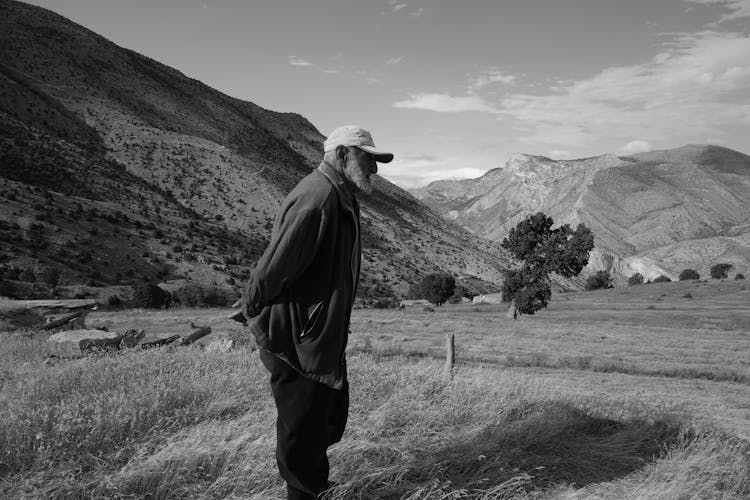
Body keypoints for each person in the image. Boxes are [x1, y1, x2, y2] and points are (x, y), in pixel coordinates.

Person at [238, 125, 393, 500]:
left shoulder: (339, 194)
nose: (374, 168)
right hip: (298, 341)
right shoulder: (317, 198)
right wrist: (251, 309)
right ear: (341, 155)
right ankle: (306, 492)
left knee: (323, 421)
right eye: (367, 158)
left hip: (317, 337)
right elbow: (273, 269)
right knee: (302, 431)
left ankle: (314, 487)